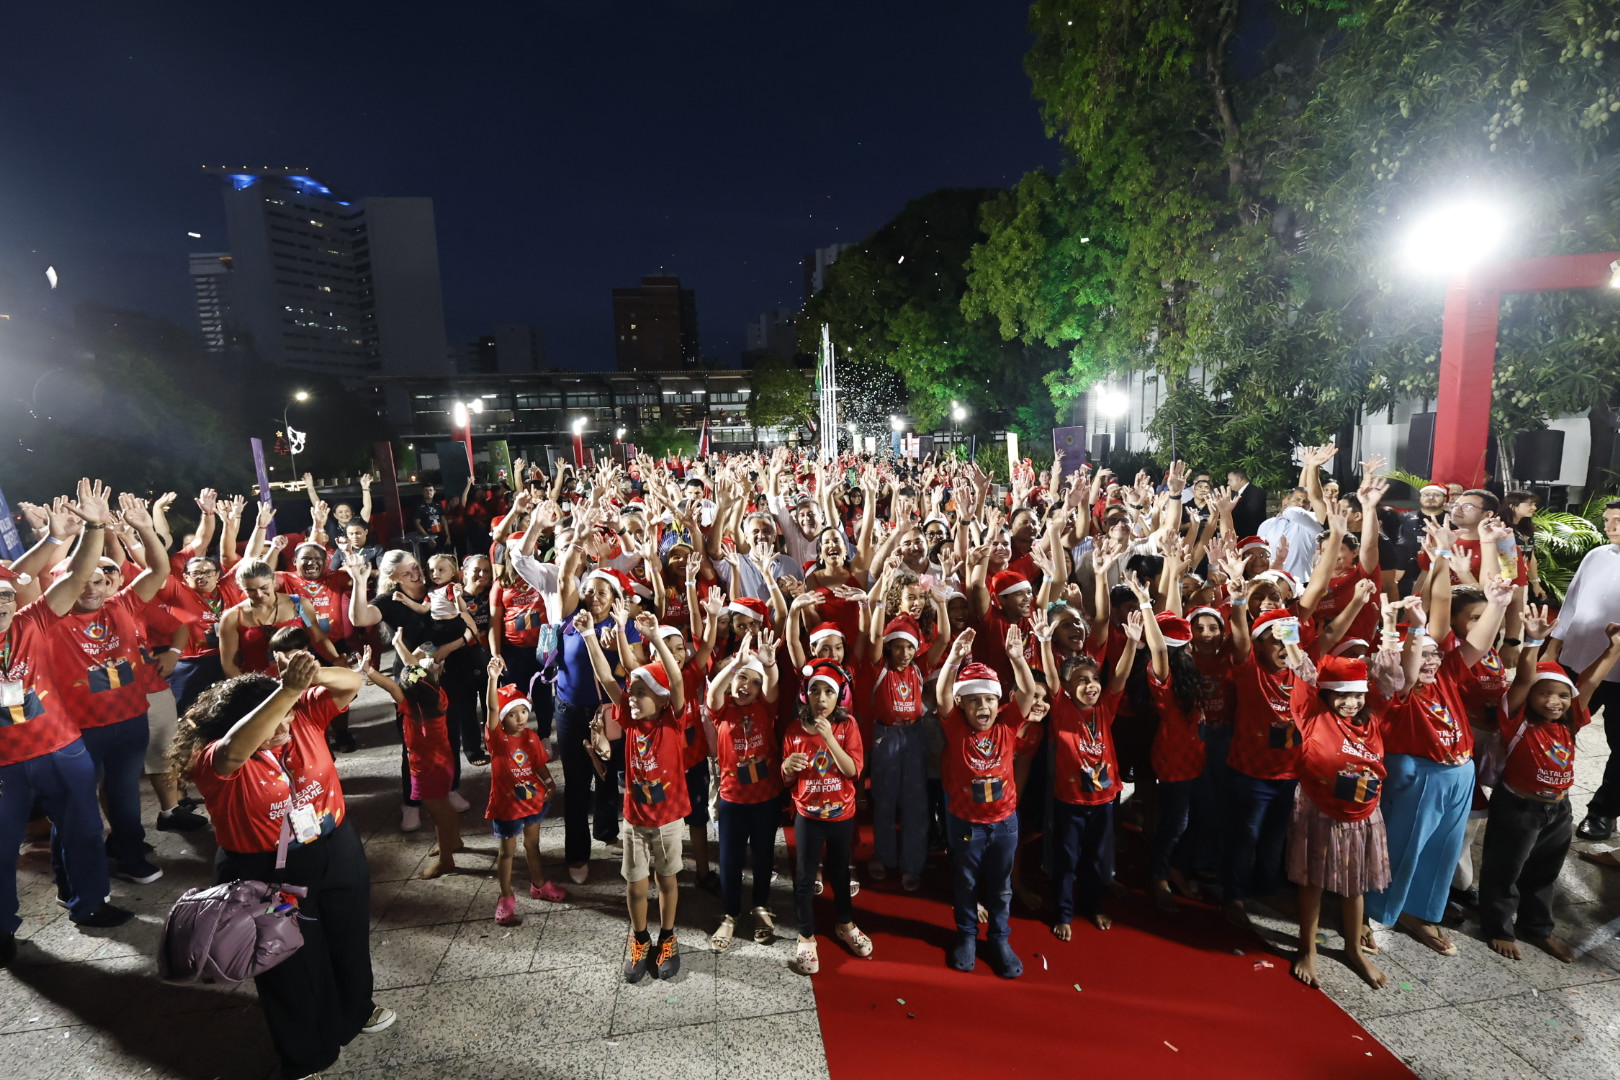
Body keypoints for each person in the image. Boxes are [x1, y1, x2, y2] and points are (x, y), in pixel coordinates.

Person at [176, 650, 392, 1080]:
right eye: (272, 719)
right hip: (266, 872)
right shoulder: (214, 760)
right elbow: (234, 751)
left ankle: (354, 1011)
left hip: (335, 845)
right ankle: (306, 1052)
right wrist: (287, 690)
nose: (283, 727)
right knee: (287, 961)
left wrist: (307, 677)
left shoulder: (304, 717)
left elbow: (350, 682)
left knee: (347, 936)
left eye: (288, 714)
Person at [1, 480, 135, 963]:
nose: (1, 602)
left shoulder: (31, 620)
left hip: (60, 748)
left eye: (5, 595)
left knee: (81, 830)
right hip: (4, 766)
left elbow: (77, 578)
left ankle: (90, 904)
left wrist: (93, 527)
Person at [1480, 610, 1620, 962]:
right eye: (1545, 694)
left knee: (1545, 872)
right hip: (1518, 809)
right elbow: (1524, 679)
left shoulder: (1569, 721)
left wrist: (1613, 649)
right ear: (1529, 696)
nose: (1555, 702)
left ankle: (1536, 927)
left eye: (1561, 695)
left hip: (1558, 810)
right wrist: (1532, 643)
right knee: (1505, 869)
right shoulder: (1516, 719)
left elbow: (1588, 685)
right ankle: (1498, 928)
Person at [48, 492, 172, 886]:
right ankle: (70, 879)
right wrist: (86, 529)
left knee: (124, 797)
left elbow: (158, 571)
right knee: (75, 804)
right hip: (79, 730)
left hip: (130, 721)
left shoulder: (123, 605)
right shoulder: (50, 619)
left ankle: (130, 855)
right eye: (82, 580)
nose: (91, 588)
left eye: (100, 581)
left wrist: (147, 531)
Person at [579, 610, 691, 983]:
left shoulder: (672, 719)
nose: (631, 697)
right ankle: (641, 938)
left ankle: (668, 936)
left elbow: (675, 681)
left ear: (660, 700)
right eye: (633, 692)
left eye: (641, 692)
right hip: (635, 819)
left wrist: (656, 638)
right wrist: (590, 636)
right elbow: (608, 678)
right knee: (635, 883)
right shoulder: (628, 719)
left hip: (669, 819)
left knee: (668, 880)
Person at [1284, 644, 1396, 991]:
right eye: (1341, 695)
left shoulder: (1373, 718)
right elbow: (1301, 672)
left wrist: (1392, 628)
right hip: (1320, 811)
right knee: (1313, 881)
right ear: (1325, 694)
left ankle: (1352, 948)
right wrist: (1288, 633)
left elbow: (1390, 679)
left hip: (1363, 814)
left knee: (1355, 883)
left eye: (1357, 695)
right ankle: (1307, 948)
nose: (1351, 703)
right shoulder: (1312, 714)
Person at [934, 632, 1037, 978]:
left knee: (1001, 885)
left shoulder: (1008, 724)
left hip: (1005, 822)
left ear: (999, 702)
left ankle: (998, 938)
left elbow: (1027, 692)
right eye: (974, 700)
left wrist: (1018, 658)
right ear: (962, 704)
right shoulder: (956, 728)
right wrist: (953, 658)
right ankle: (965, 935)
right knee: (965, 882)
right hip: (968, 823)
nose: (982, 708)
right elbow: (942, 694)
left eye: (989, 700)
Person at [1039, 611, 1141, 939]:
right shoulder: (1061, 708)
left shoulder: (1105, 709)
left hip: (1104, 799)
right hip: (1070, 800)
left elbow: (1120, 678)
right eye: (1080, 680)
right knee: (1067, 858)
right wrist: (1043, 641)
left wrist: (1132, 644)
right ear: (1066, 688)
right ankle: (1064, 913)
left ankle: (1094, 905)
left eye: (1093, 679)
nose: (1090, 685)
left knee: (1097, 856)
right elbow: (1051, 681)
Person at [783, 657, 870, 975]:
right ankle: (806, 936)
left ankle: (845, 924)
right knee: (805, 878)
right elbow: (787, 779)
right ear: (805, 695)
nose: (821, 698)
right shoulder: (794, 729)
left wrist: (829, 737)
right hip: (808, 816)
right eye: (815, 691)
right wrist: (786, 768)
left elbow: (852, 770)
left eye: (829, 692)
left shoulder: (848, 726)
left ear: (840, 697)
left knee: (841, 874)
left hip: (841, 816)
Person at [1545, 500, 1620, 841]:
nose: (1610, 527)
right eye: (1608, 521)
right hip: (1577, 662)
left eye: (1617, 521)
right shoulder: (1597, 555)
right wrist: (1555, 645)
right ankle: (1548, 797)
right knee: (1558, 732)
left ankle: (1604, 811)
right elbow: (1573, 600)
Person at [703, 631, 783, 949]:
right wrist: (735, 663)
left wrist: (768, 664)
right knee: (730, 858)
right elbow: (712, 696)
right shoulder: (722, 710)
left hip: (766, 798)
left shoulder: (766, 707)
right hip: (732, 798)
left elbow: (774, 685)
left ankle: (761, 906)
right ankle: (730, 914)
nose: (743, 686)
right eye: (739, 680)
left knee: (763, 855)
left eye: (751, 681)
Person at [483, 656, 566, 926]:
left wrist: (550, 783)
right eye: (512, 713)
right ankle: (505, 896)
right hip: (507, 807)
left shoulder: (530, 737)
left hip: (533, 802)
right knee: (507, 852)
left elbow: (539, 765)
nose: (520, 718)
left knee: (533, 844)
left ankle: (539, 884)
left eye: (523, 711)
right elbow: (491, 710)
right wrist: (493, 679)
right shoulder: (497, 740)